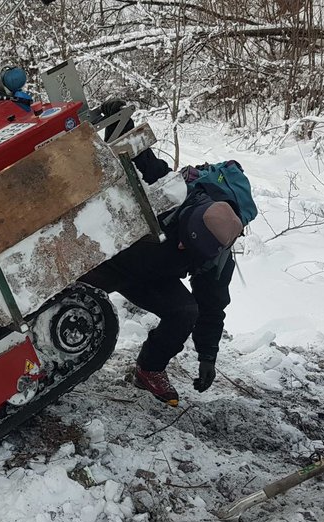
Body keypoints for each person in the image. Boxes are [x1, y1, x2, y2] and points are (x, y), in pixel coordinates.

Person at [81, 100, 245, 407]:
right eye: (184, 239)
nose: (184, 247)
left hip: (152, 278)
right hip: (113, 259)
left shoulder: (215, 258)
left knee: (186, 311)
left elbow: (213, 306)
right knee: (68, 298)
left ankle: (149, 369)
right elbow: (141, 158)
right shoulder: (178, 193)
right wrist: (120, 124)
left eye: (191, 251)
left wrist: (207, 356)